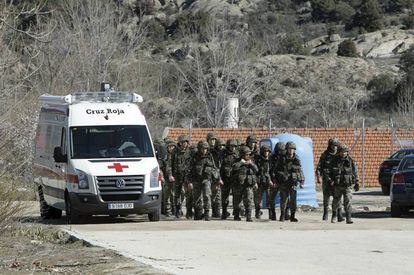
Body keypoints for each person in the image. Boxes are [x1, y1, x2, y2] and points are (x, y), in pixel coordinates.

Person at [187, 140, 219, 221]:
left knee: (206, 196)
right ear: (199, 149)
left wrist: (217, 181)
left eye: (205, 149)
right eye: (202, 149)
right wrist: (189, 182)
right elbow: (189, 170)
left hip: (206, 180)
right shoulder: (194, 157)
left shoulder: (209, 157)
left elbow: (214, 169)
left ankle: (207, 213)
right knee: (196, 198)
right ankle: (198, 213)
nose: (204, 150)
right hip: (196, 180)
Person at [329, 145, 359, 224]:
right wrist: (330, 180)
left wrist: (357, 181)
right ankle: (334, 216)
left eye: (345, 152)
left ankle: (348, 218)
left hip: (347, 185)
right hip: (337, 185)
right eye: (342, 152)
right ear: (339, 152)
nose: (343, 153)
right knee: (336, 201)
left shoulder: (350, 161)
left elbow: (355, 171)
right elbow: (329, 172)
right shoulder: (334, 161)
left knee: (348, 201)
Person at [316, 138, 344, 221]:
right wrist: (318, 177)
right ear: (330, 145)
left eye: (336, 145)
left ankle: (339, 214)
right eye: (333, 145)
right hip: (327, 179)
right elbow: (319, 167)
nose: (335, 147)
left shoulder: (340, 154)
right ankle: (325, 213)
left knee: (338, 197)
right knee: (326, 197)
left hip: (337, 179)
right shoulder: (325, 154)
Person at [277, 141, 304, 222]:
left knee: (293, 200)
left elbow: (300, 170)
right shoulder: (282, 158)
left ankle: (292, 216)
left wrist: (302, 181)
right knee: (284, 200)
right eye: (289, 149)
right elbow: (277, 170)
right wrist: (282, 175)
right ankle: (282, 215)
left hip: (293, 182)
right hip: (284, 182)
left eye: (293, 149)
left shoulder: (296, 158)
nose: (291, 150)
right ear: (287, 149)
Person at [169, 134, 193, 219]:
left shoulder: (190, 151)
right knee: (177, 195)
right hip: (177, 176)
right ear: (179, 143)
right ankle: (178, 211)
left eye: (186, 142)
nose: (184, 144)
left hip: (187, 176)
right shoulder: (174, 152)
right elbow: (169, 165)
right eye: (183, 142)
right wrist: (170, 175)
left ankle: (189, 211)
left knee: (189, 194)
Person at [232, 146, 258, 222]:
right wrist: (241, 162)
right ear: (242, 155)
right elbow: (234, 168)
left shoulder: (251, 161)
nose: (248, 156)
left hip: (248, 184)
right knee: (237, 200)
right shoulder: (237, 161)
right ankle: (236, 215)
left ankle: (249, 216)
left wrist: (251, 164)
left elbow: (256, 170)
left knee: (249, 200)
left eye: (249, 154)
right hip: (238, 184)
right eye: (247, 154)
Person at [220, 139, 239, 220]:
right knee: (224, 197)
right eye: (231, 146)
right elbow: (218, 167)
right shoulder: (222, 154)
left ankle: (236, 214)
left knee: (236, 197)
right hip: (225, 179)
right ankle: (224, 213)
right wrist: (219, 178)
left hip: (235, 179)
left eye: (235, 146)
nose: (233, 148)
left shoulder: (237, 155)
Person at [206, 132, 223, 218]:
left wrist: (218, 178)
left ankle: (216, 212)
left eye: (214, 140)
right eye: (211, 140)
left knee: (217, 195)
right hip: (207, 176)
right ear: (208, 140)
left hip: (216, 175)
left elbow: (218, 166)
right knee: (207, 195)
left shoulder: (217, 152)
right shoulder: (205, 150)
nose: (212, 141)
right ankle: (207, 212)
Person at [255, 144, 273, 219]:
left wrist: (272, 180)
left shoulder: (270, 160)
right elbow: (256, 172)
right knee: (258, 199)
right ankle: (257, 212)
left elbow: (272, 171)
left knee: (269, 198)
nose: (266, 153)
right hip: (260, 181)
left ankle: (270, 213)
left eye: (267, 151)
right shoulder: (258, 160)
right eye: (265, 151)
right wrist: (255, 182)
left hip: (268, 182)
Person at [269, 142, 285, 221]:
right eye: (278, 151)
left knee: (284, 198)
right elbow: (270, 170)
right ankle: (273, 213)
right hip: (274, 180)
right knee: (272, 198)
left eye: (281, 151)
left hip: (283, 181)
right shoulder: (272, 158)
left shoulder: (285, 158)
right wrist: (272, 180)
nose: (280, 152)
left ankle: (284, 214)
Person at [162, 139, 176, 217]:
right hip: (166, 178)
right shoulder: (164, 157)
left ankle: (175, 209)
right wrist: (162, 177)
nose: (171, 148)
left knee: (175, 194)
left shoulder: (176, 155)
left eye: (173, 147)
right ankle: (167, 210)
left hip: (175, 178)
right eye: (170, 147)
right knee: (167, 194)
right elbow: (160, 167)